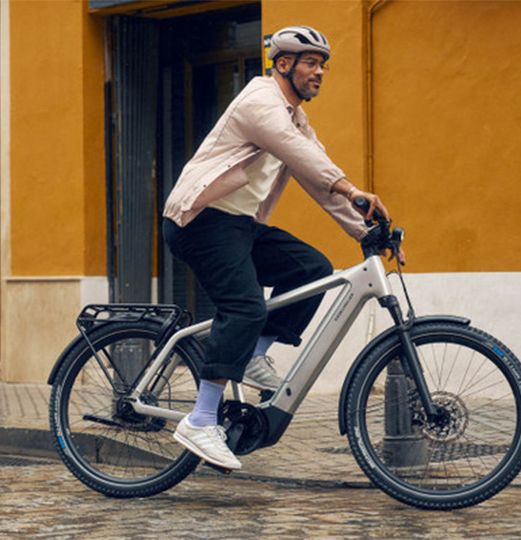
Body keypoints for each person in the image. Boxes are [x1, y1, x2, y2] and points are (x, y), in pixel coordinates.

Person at [162, 25, 401, 470]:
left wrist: (365, 232)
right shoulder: (260, 102)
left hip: (239, 226)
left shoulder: (296, 118)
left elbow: (316, 176)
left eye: (323, 65)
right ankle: (200, 419)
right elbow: (300, 154)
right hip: (200, 221)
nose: (320, 72)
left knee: (312, 268)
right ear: (284, 63)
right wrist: (353, 190)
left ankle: (252, 357)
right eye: (311, 62)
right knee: (245, 307)